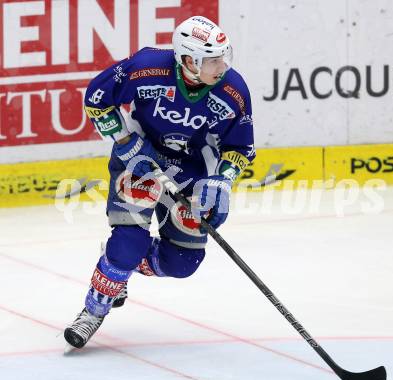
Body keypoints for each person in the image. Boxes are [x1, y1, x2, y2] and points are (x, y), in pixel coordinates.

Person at [64, 15, 255, 349]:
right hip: (139, 160)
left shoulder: (233, 91)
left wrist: (222, 182)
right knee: (128, 243)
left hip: (192, 172)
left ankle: (117, 266)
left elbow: (239, 146)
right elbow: (97, 97)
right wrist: (125, 140)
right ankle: (94, 308)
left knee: (181, 263)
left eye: (223, 56)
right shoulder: (147, 67)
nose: (221, 65)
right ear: (187, 60)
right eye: (211, 59)